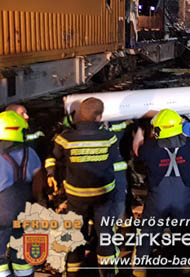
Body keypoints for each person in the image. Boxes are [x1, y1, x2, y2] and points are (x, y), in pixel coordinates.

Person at [46, 98, 120, 275]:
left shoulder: (65, 138)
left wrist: (50, 174)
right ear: (99, 117)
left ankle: (73, 271)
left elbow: (52, 158)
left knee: (75, 234)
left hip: (76, 197)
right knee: (105, 234)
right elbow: (115, 160)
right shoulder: (109, 137)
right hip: (103, 195)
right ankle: (108, 272)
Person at [134, 109, 190, 275]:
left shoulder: (149, 148)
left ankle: (140, 269)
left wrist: (140, 134)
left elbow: (138, 152)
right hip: (183, 197)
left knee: (148, 230)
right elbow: (189, 147)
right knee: (183, 230)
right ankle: (185, 265)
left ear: (158, 130)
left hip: (158, 198)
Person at [0, 111, 43, 277]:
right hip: (24, 211)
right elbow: (39, 181)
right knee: (22, 253)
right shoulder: (30, 153)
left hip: (1, 212)